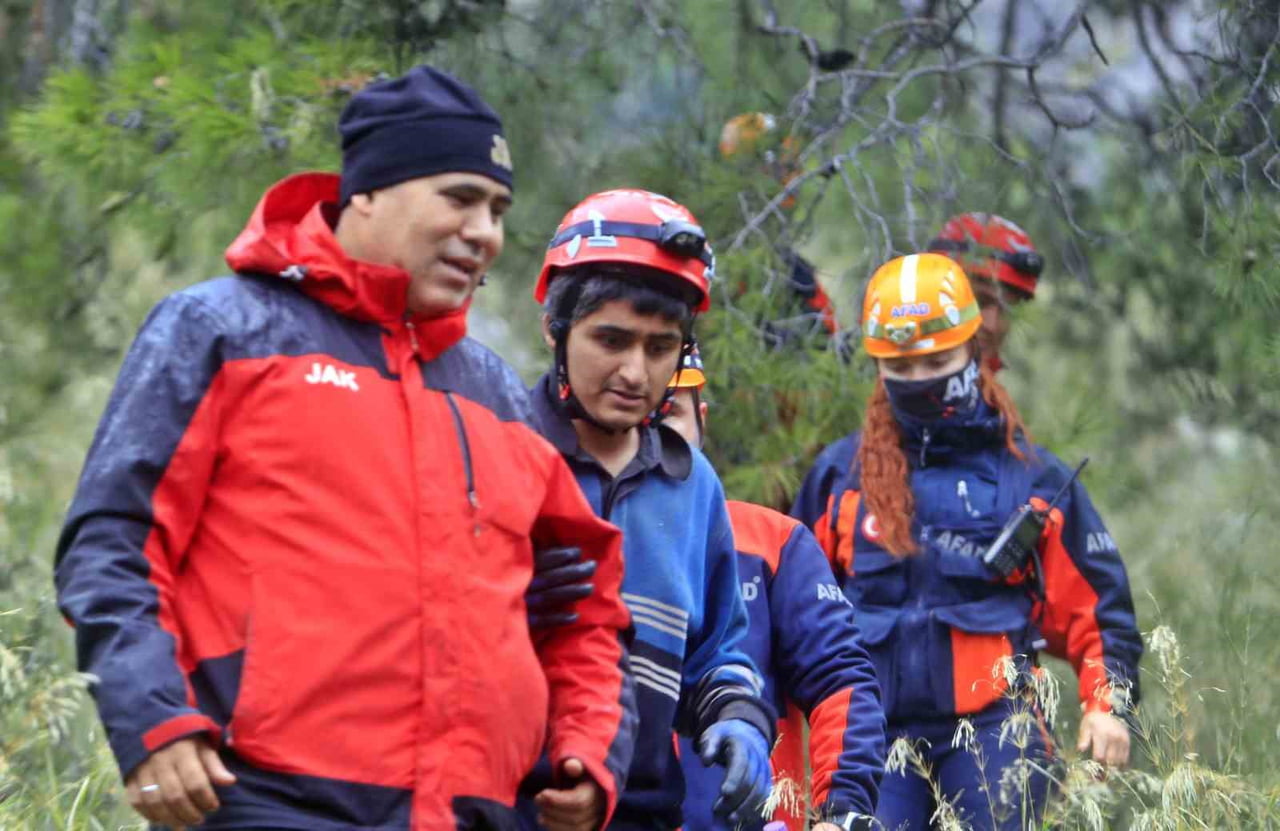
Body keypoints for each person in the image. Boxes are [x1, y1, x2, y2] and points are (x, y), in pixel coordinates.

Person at [54, 65, 637, 831]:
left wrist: (591, 751)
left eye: (497, 209)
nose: (485, 232)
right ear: (364, 190)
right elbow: (113, 542)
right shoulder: (221, 332)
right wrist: (152, 722)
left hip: (479, 813)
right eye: (459, 198)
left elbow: (584, 607)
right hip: (268, 800)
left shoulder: (495, 396)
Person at [795, 253, 1142, 829]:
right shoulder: (840, 478)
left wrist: (1109, 708)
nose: (918, 379)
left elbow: (1099, 611)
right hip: (872, 733)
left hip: (995, 729)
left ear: (973, 348)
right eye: (899, 367)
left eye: (935, 360)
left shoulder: (1031, 478)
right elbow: (794, 612)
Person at [522, 189, 775, 831]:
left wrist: (738, 720)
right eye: (611, 339)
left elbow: (717, 649)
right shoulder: (502, 447)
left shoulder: (693, 486)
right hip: (509, 804)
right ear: (555, 328)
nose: (635, 371)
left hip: (643, 811)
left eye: (661, 348)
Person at [662, 345, 885, 831]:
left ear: (701, 420)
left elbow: (840, 681)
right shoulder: (571, 531)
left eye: (670, 412)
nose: (654, 434)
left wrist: (841, 810)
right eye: (641, 415)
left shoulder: (774, 544)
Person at [791, 212, 1043, 540]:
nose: (991, 323)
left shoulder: (1030, 474)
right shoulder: (836, 464)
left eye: (1005, 306)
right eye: (980, 299)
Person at [926, 212, 1045, 369]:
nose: (991, 325)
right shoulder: (899, 389)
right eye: (979, 302)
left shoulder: (990, 391)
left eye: (1005, 310)